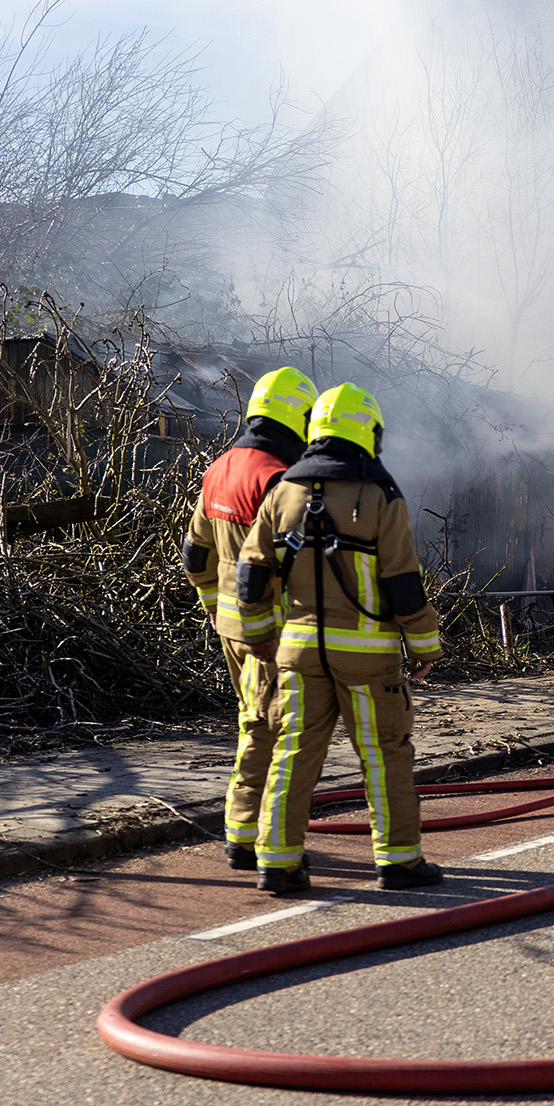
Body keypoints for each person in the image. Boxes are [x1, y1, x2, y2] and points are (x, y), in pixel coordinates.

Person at [235, 383, 444, 895]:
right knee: (385, 752)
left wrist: (261, 635)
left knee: (293, 751)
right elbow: (401, 582)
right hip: (368, 660)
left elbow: (250, 574)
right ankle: (397, 861)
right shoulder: (381, 495)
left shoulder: (283, 490)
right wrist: (425, 644)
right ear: (368, 432)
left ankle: (277, 864)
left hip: (299, 654)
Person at [181, 366, 317, 871]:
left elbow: (195, 554)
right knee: (283, 730)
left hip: (233, 627)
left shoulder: (219, 467)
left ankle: (242, 832)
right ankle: (264, 843)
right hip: (273, 630)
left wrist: (215, 607)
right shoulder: (279, 478)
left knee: (253, 721)